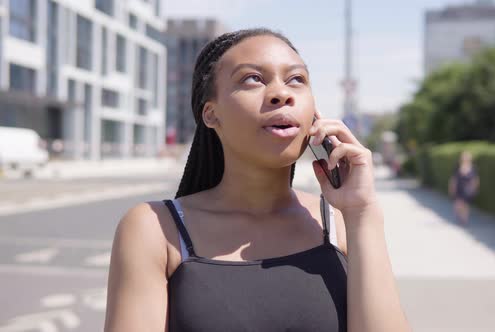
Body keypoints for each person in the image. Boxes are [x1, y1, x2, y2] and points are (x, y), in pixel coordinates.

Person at [104, 28, 411, 331]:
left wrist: (362, 212)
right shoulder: (155, 229)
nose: (281, 93)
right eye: (253, 78)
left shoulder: (342, 222)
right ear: (210, 114)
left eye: (296, 80)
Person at [448, 151, 480, 226]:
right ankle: (460, 215)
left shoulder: (473, 168)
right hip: (459, 188)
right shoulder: (457, 167)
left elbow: (475, 179)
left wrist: (475, 188)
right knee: (458, 204)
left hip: (467, 189)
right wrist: (452, 188)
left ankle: (464, 220)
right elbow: (454, 179)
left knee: (465, 205)